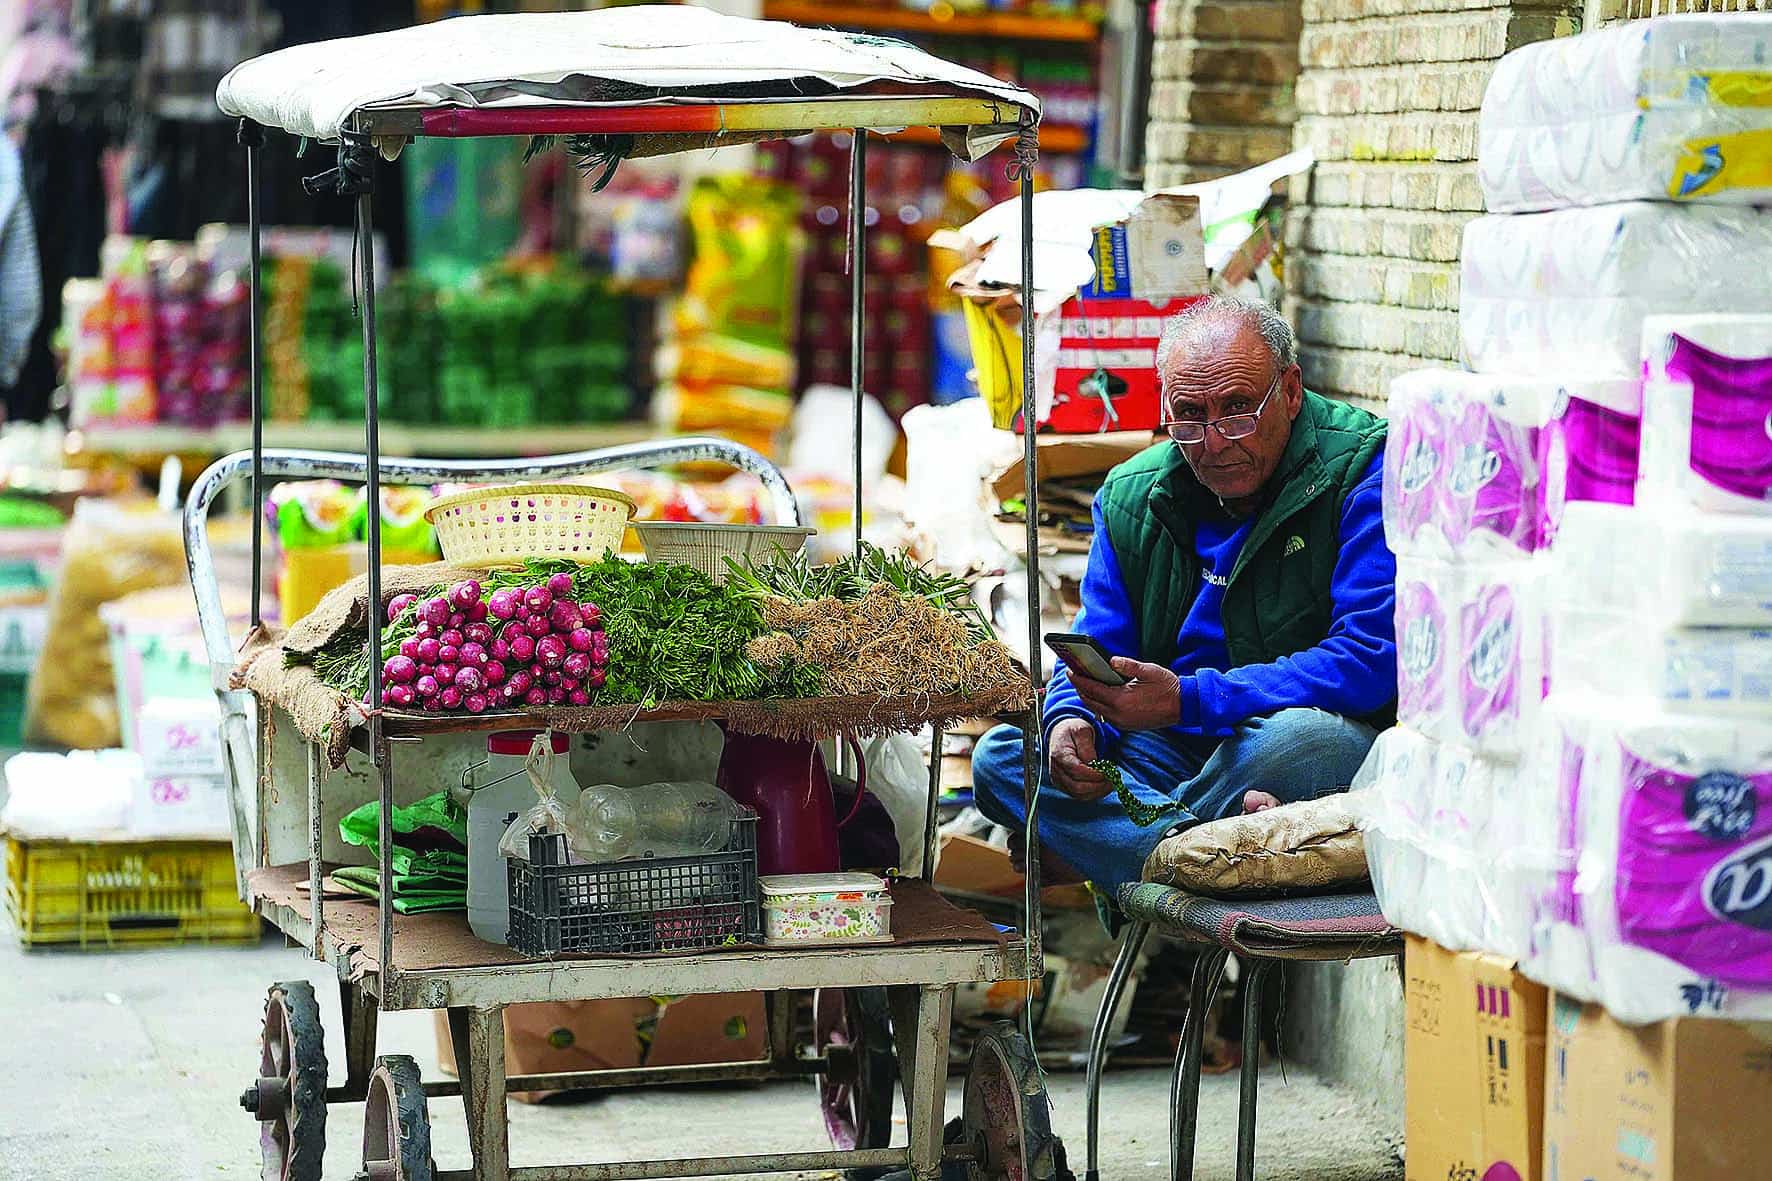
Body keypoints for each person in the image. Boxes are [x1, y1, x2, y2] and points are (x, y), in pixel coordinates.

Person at [970, 295, 1397, 889]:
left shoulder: (1363, 469)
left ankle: (1122, 847)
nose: (1214, 442)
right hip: (1171, 749)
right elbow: (1098, 648)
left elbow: (1369, 661)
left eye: (1239, 410)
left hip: (1277, 743)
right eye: (1189, 415)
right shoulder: (1131, 494)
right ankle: (1207, 846)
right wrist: (1072, 718)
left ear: (1291, 391)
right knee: (1003, 757)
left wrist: (1189, 700)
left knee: (1310, 742)